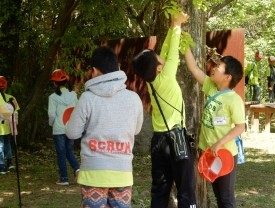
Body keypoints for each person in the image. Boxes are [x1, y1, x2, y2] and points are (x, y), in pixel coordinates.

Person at [132, 12, 197, 208]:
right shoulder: (167, 77)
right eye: (158, 57)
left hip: (158, 141)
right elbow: (173, 52)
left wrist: (172, 26)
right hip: (175, 138)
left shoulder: (151, 81)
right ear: (159, 68)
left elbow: (167, 49)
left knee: (159, 191)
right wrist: (177, 26)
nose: (162, 54)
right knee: (186, 190)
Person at [66, 47, 143, 208]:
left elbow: (72, 133)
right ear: (118, 68)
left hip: (93, 173)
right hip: (122, 172)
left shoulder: (87, 98)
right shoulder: (134, 98)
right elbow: (136, 130)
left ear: (94, 71)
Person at [184, 47, 245, 208]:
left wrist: (219, 143)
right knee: (218, 196)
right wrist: (185, 47)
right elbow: (193, 68)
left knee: (226, 199)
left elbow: (240, 127)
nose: (214, 68)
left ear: (227, 77)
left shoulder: (234, 100)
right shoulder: (211, 87)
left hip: (224, 154)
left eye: (219, 67)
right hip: (209, 153)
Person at [48, 69, 80, 185]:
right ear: (66, 81)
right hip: (70, 127)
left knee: (61, 153)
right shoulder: (73, 95)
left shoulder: (52, 97)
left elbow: (51, 114)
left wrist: (51, 124)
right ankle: (77, 169)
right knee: (68, 150)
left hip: (58, 129)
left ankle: (64, 178)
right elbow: (77, 111)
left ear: (54, 82)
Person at [0, 76, 18, 174]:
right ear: (6, 87)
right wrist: (15, 127)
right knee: (7, 144)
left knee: (0, 145)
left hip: (1, 127)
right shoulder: (11, 98)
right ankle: (10, 163)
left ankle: (2, 166)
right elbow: (15, 113)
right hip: (8, 126)